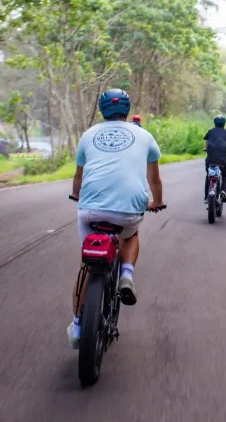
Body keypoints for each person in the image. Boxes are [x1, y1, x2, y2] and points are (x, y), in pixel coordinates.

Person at [68, 88, 165, 349]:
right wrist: (157, 202)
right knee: (130, 234)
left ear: (101, 110)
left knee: (87, 265)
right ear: (126, 109)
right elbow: (154, 179)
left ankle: (78, 328)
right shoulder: (144, 135)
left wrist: (77, 195)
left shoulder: (88, 135)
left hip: (90, 209)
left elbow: (79, 177)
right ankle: (127, 274)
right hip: (128, 210)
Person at [203, 115, 226, 203]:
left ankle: (206, 196)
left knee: (209, 176)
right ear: (224, 123)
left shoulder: (210, 132)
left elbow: (207, 141)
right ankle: (223, 190)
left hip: (210, 160)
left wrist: (205, 148)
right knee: (225, 175)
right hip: (222, 161)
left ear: (214, 123)